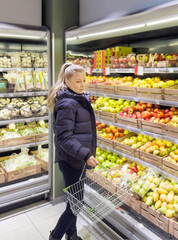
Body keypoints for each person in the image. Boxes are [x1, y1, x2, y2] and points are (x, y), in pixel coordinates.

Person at [47, 63, 98, 240]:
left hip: (76, 160)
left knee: (73, 201)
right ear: (67, 80)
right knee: (75, 205)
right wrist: (86, 154)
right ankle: (55, 236)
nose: (82, 85)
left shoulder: (77, 98)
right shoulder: (68, 103)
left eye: (84, 81)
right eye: (78, 81)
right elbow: (63, 137)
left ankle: (72, 235)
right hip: (72, 161)